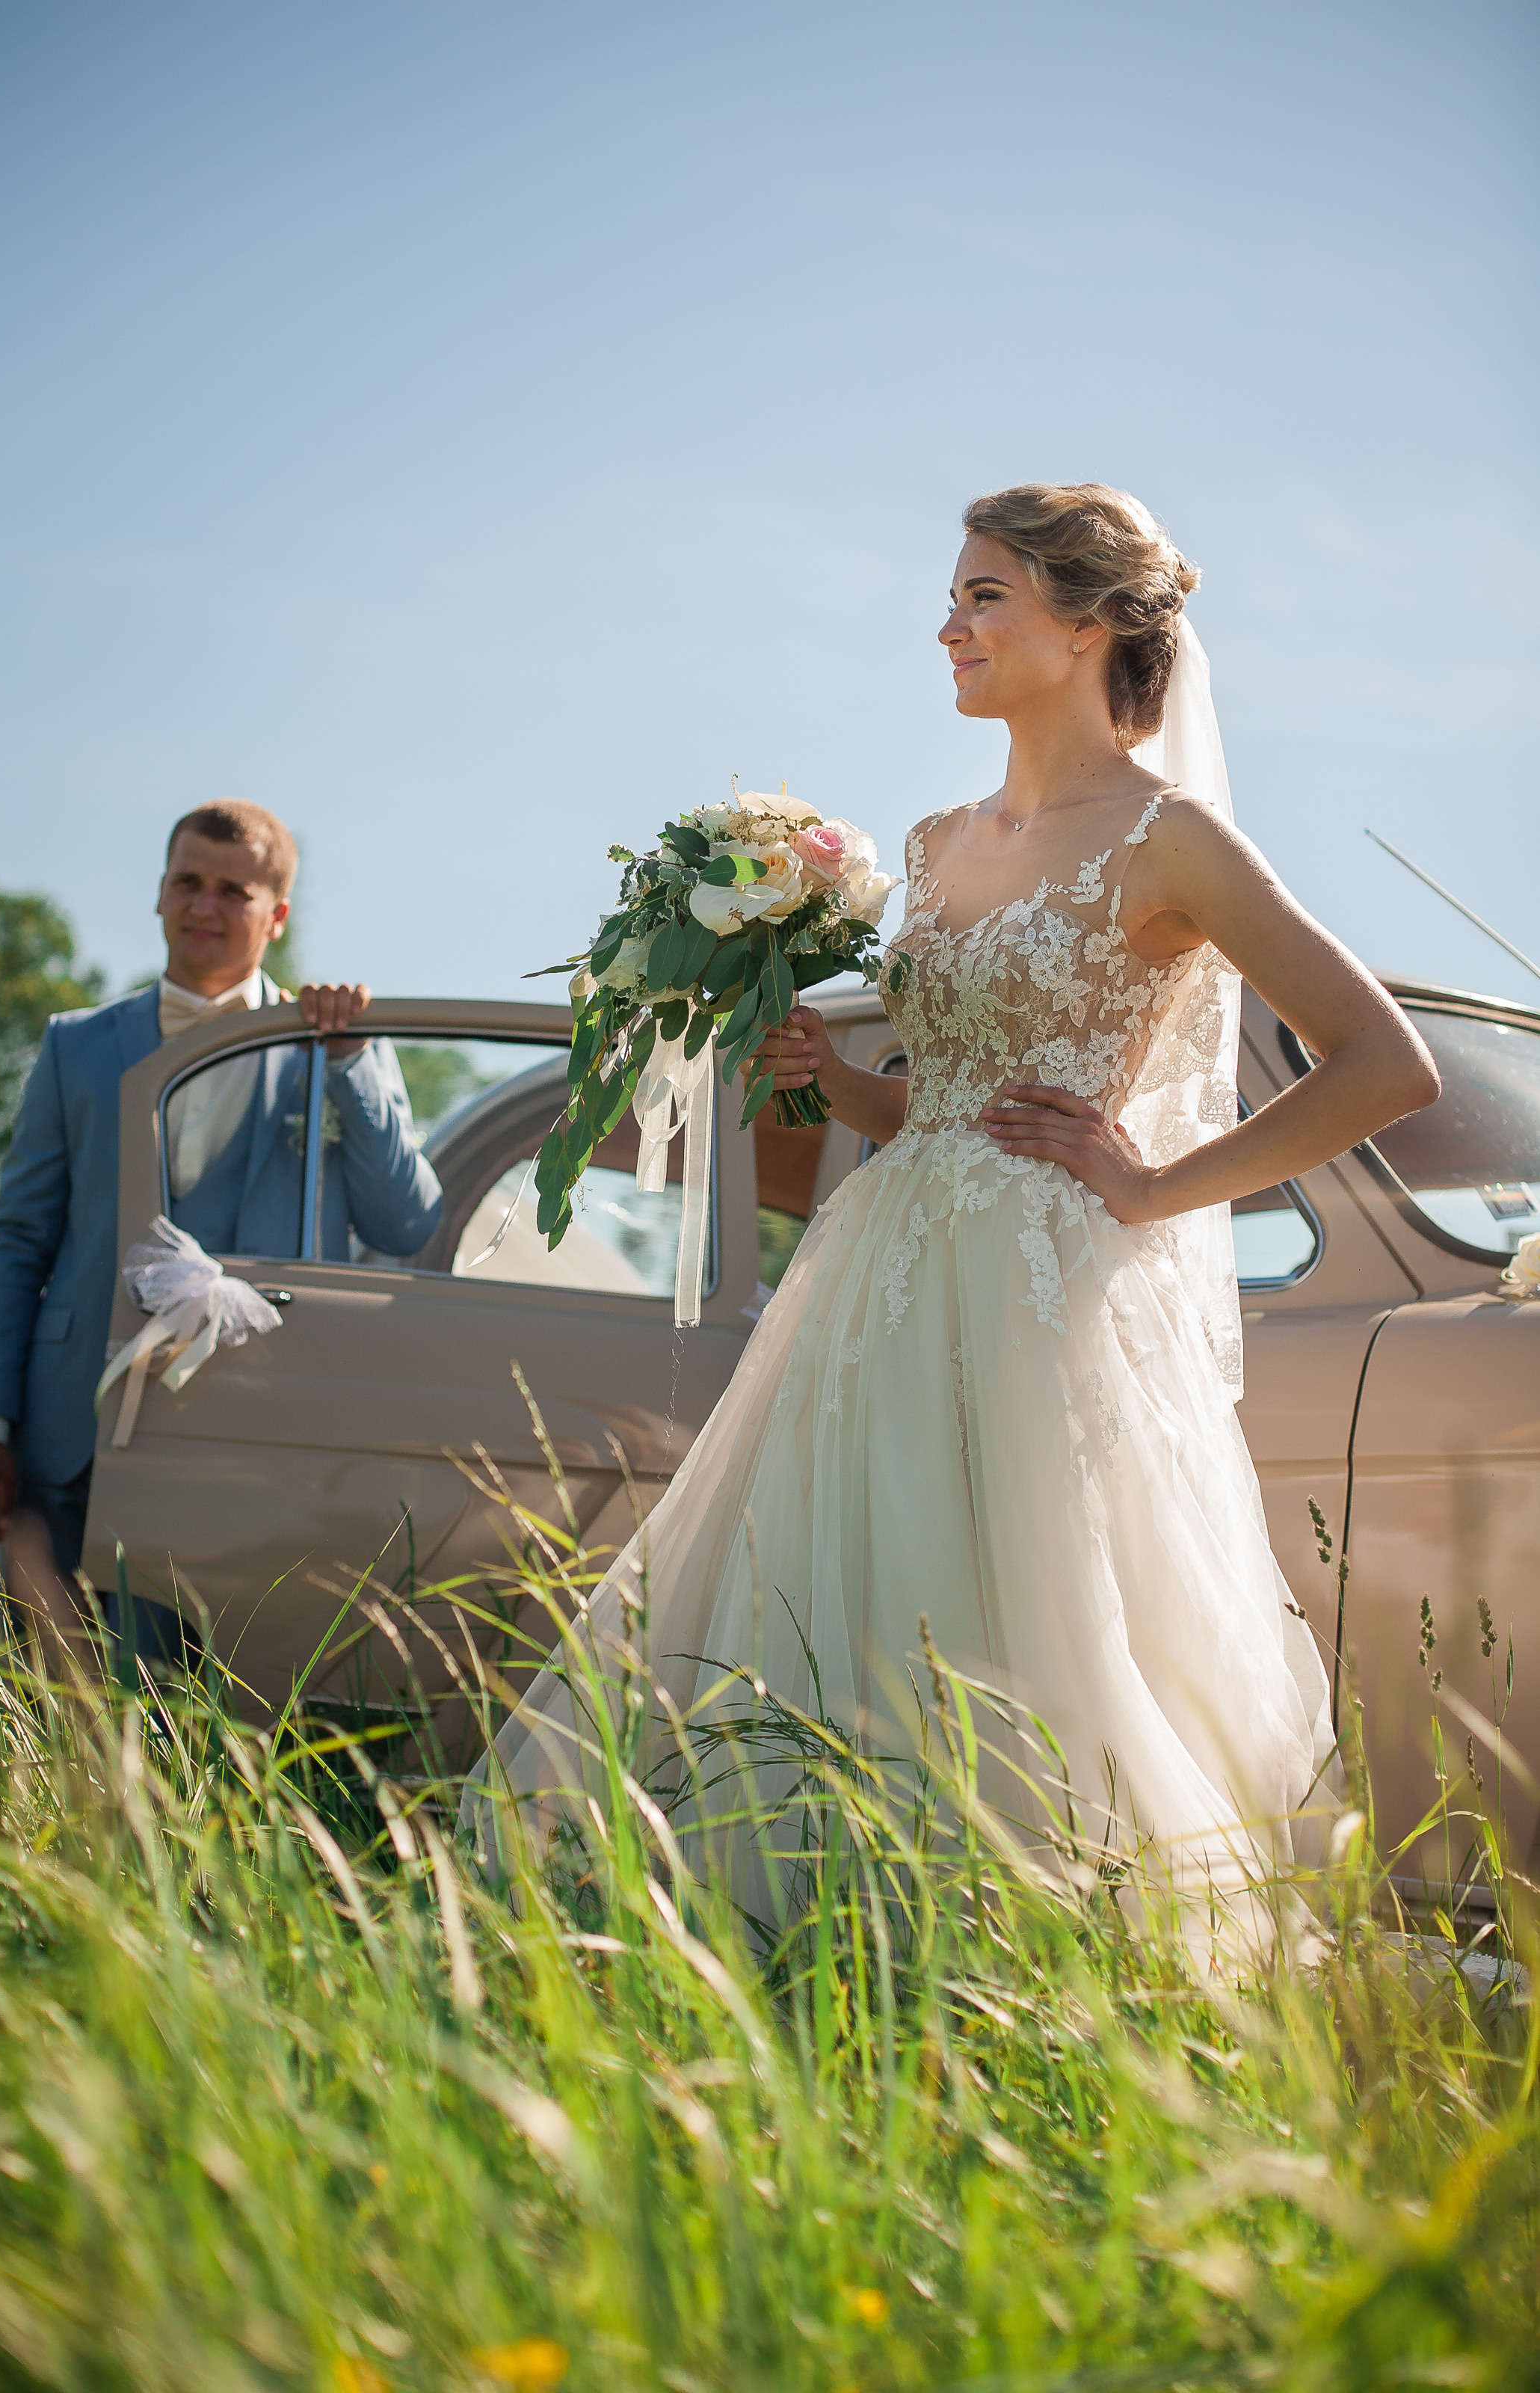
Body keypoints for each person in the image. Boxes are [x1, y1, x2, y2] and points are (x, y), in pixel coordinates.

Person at [477, 484, 1440, 1958]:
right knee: (825, 1600)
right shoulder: (933, 846)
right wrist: (832, 1085)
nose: (948, 626)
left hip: (1041, 1294)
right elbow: (931, 1103)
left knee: (1028, 1624)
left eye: (982, 596)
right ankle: (790, 1950)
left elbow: (1385, 1064)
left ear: (1084, 622)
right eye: (954, 596)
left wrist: (1155, 1184)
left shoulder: (1172, 842)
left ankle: (1030, 1955)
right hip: (876, 1274)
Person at [0, 798, 441, 1648]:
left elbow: (406, 1221)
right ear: (159, 892)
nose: (204, 907)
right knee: (50, 1705)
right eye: (187, 882)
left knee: (209, 1711)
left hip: (252, 1427)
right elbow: (17, 1239)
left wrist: (352, 1061)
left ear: (277, 915)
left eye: (233, 890)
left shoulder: (338, 1043)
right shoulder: (77, 1045)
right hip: (71, 1426)